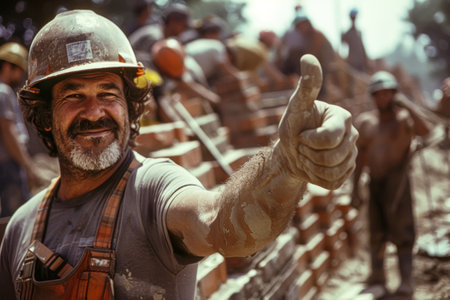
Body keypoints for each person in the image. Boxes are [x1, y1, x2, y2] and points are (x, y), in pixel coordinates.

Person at [0, 10, 357, 299]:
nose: (94, 112)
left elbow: (220, 222)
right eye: (74, 96)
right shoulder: (20, 228)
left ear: (130, 107)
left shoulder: (153, 189)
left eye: (108, 93)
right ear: (45, 117)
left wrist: (286, 165)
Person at [352, 71, 431, 299]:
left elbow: (426, 131)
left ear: (394, 94)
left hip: (399, 184)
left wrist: (406, 102)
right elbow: (360, 158)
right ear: (373, 97)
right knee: (376, 233)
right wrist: (355, 189)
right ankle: (378, 277)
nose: (383, 98)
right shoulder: (366, 122)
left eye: (388, 94)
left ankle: (406, 281)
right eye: (379, 94)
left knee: (403, 233)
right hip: (375, 184)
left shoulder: (405, 118)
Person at [0, 42, 43, 217]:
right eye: (20, 70)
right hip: (10, 164)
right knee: (17, 217)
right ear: (9, 66)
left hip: (7, 163)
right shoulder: (3, 92)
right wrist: (27, 166)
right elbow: (8, 132)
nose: (21, 75)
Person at [278, 11, 335, 98]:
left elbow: (312, 54)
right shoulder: (306, 37)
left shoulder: (317, 34)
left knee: (320, 91)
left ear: (307, 24)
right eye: (298, 27)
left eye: (301, 26)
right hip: (316, 65)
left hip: (322, 66)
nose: (300, 29)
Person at [341, 8, 368, 73]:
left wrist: (366, 59)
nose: (354, 19)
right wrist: (341, 36)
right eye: (352, 18)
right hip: (352, 63)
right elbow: (343, 44)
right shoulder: (347, 33)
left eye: (354, 18)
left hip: (361, 63)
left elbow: (362, 47)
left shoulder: (359, 32)